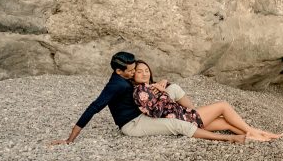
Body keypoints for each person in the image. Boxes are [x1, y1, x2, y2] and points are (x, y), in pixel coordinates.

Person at [49, 51, 245, 145]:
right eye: (132, 70)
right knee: (179, 126)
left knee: (175, 95)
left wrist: (159, 85)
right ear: (119, 71)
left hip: (143, 114)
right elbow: (93, 108)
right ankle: (226, 139)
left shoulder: (126, 79)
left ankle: (197, 117)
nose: (135, 73)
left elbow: (146, 89)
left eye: (137, 69)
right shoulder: (115, 86)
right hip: (133, 124)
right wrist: (70, 139)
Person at [130, 60, 283, 142]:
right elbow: (156, 112)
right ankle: (255, 131)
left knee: (225, 122)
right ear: (133, 75)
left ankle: (257, 136)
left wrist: (164, 83)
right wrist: (163, 92)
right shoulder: (140, 91)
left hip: (182, 115)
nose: (144, 74)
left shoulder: (150, 86)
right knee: (223, 106)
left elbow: (166, 90)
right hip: (181, 119)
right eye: (139, 71)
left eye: (146, 70)